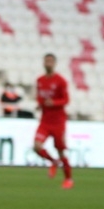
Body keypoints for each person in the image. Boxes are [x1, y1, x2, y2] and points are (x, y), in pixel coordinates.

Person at [34, 53, 73, 189]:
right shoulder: (39, 80)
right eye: (46, 61)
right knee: (37, 146)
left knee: (61, 150)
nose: (48, 63)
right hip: (45, 121)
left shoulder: (61, 81)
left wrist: (54, 102)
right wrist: (40, 104)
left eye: (50, 61)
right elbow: (39, 97)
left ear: (54, 63)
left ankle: (68, 179)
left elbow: (66, 100)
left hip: (58, 121)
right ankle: (53, 162)